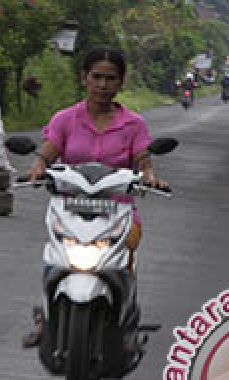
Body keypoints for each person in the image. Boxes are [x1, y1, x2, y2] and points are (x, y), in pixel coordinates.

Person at [21, 46, 168, 348]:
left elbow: (143, 160)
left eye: (110, 78)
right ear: (84, 78)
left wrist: (149, 175)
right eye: (96, 77)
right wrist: (37, 168)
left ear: (121, 82)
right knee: (54, 255)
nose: (103, 85)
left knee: (126, 254)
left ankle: (125, 317)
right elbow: (47, 151)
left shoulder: (134, 124)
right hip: (70, 210)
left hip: (119, 214)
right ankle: (46, 316)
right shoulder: (65, 119)